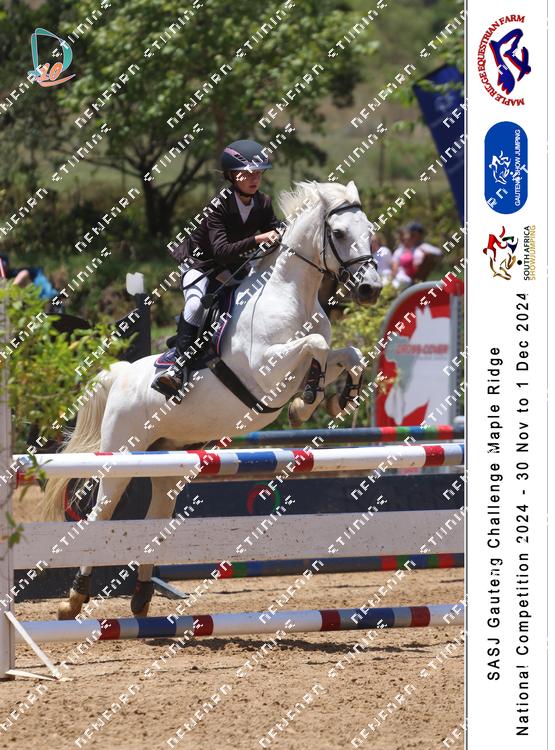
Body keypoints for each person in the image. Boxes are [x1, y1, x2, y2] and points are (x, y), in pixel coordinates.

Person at [151, 139, 281, 398]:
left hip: (233, 268)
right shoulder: (219, 205)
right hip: (201, 265)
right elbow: (221, 250)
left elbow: (276, 228)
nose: (254, 179)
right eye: (247, 174)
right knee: (195, 306)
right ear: (232, 175)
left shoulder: (263, 203)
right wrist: (257, 239)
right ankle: (177, 369)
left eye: (258, 173)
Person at [391, 221, 442, 290]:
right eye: (410, 235)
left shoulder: (423, 247)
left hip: (414, 281)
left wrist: (426, 255)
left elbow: (439, 253)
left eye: (413, 235)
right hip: (400, 279)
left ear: (419, 236)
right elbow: (394, 268)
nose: (410, 237)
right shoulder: (401, 250)